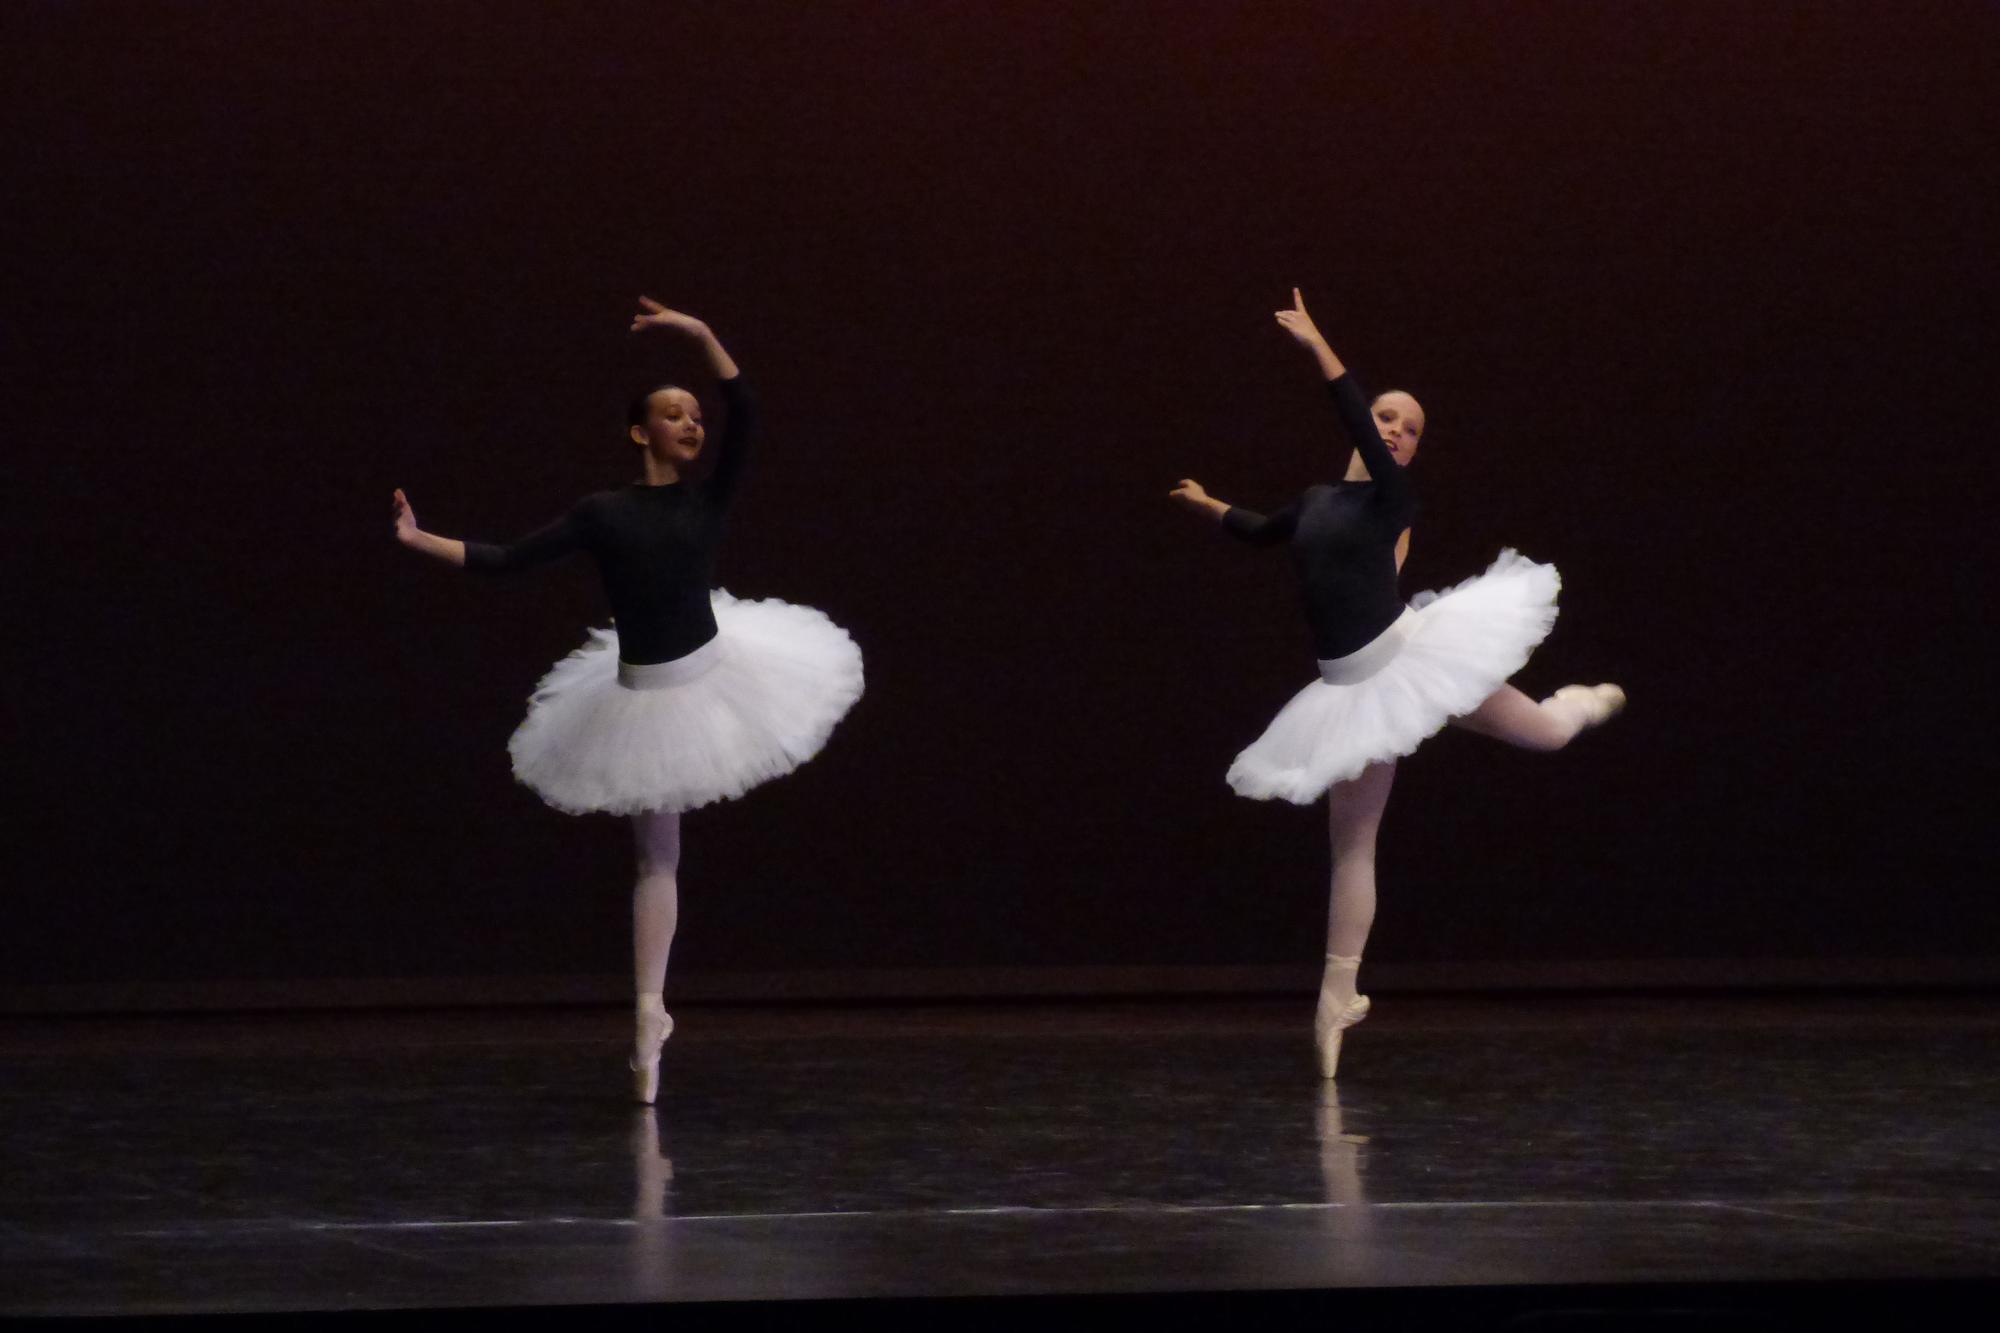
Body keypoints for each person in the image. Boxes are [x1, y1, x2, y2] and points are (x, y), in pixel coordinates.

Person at [392, 297, 864, 1103]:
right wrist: (417, 539)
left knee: (662, 854)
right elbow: (508, 558)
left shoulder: (707, 499)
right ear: (640, 432)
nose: (691, 423)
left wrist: (702, 334)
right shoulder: (602, 513)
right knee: (655, 859)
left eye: (693, 413)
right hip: (644, 698)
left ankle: (651, 1022)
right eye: (672, 413)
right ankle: (649, 1018)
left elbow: (744, 409)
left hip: (718, 678)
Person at [1171, 289, 1623, 1079]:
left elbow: (1348, 417)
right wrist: (1210, 505)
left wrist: (1319, 346)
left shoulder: (1392, 499)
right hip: (1349, 692)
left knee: (1545, 735)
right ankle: (1337, 995)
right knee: (1352, 847)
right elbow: (1260, 530)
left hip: (1410, 661)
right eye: (1388, 416)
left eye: (1409, 429)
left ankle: (1577, 704)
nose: (1395, 432)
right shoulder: (1314, 501)